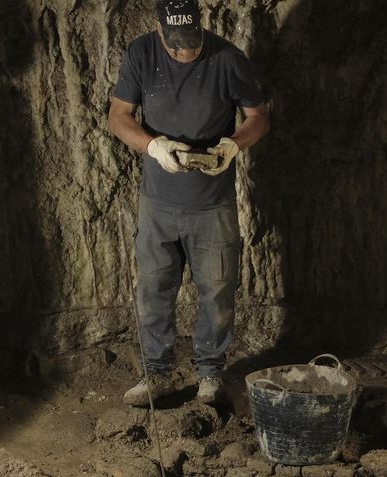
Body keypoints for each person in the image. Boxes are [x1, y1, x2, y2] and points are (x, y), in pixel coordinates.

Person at [107, 0, 268, 408]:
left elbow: (257, 117)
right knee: (154, 288)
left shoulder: (229, 59)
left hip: (212, 203)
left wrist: (234, 144)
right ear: (160, 32)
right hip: (158, 201)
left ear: (202, 28)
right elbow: (118, 115)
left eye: (192, 46)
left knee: (217, 290)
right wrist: (153, 145)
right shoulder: (141, 53)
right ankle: (157, 373)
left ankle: (210, 374)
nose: (185, 53)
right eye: (176, 47)